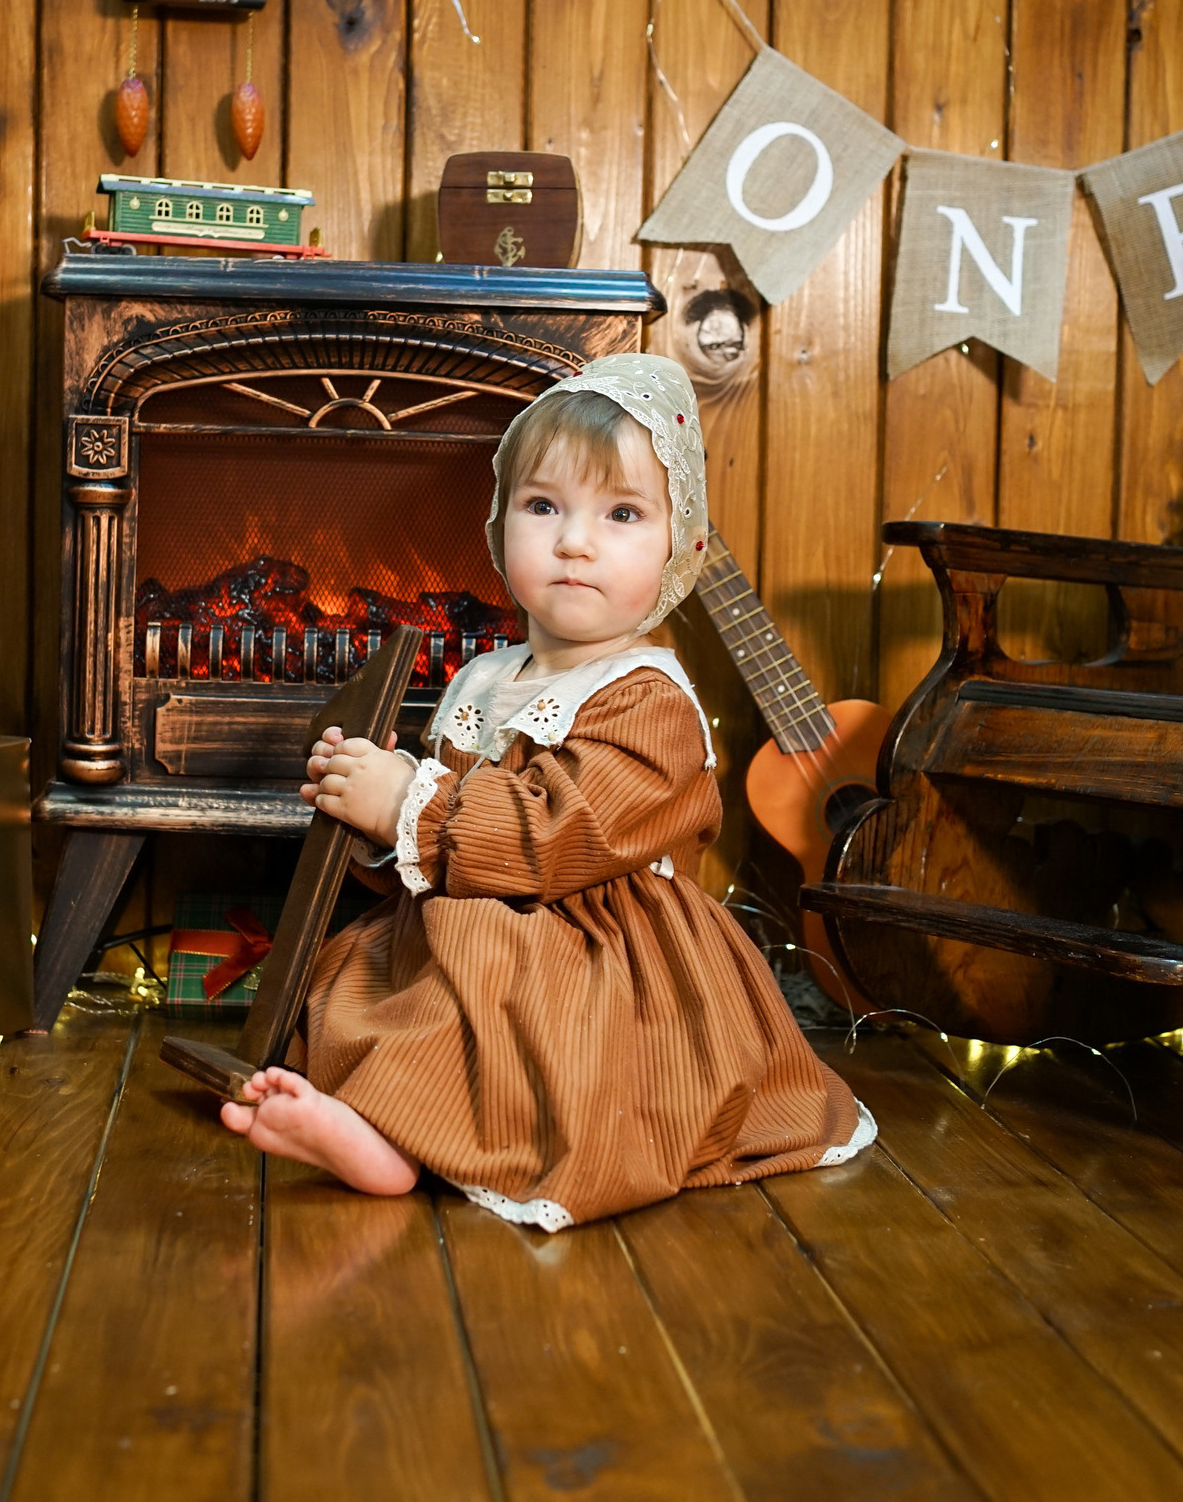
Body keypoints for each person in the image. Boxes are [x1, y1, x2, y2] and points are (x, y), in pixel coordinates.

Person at [218, 353, 873, 1230]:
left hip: (598, 946)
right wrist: (371, 809)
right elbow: (440, 844)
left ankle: (391, 1142)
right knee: (366, 972)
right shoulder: (486, 677)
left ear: (679, 548)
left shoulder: (649, 700)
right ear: (499, 529)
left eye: (622, 514)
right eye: (543, 506)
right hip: (475, 913)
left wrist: (414, 803)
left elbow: (559, 835)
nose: (575, 541)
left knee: (507, 997)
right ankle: (370, 1114)